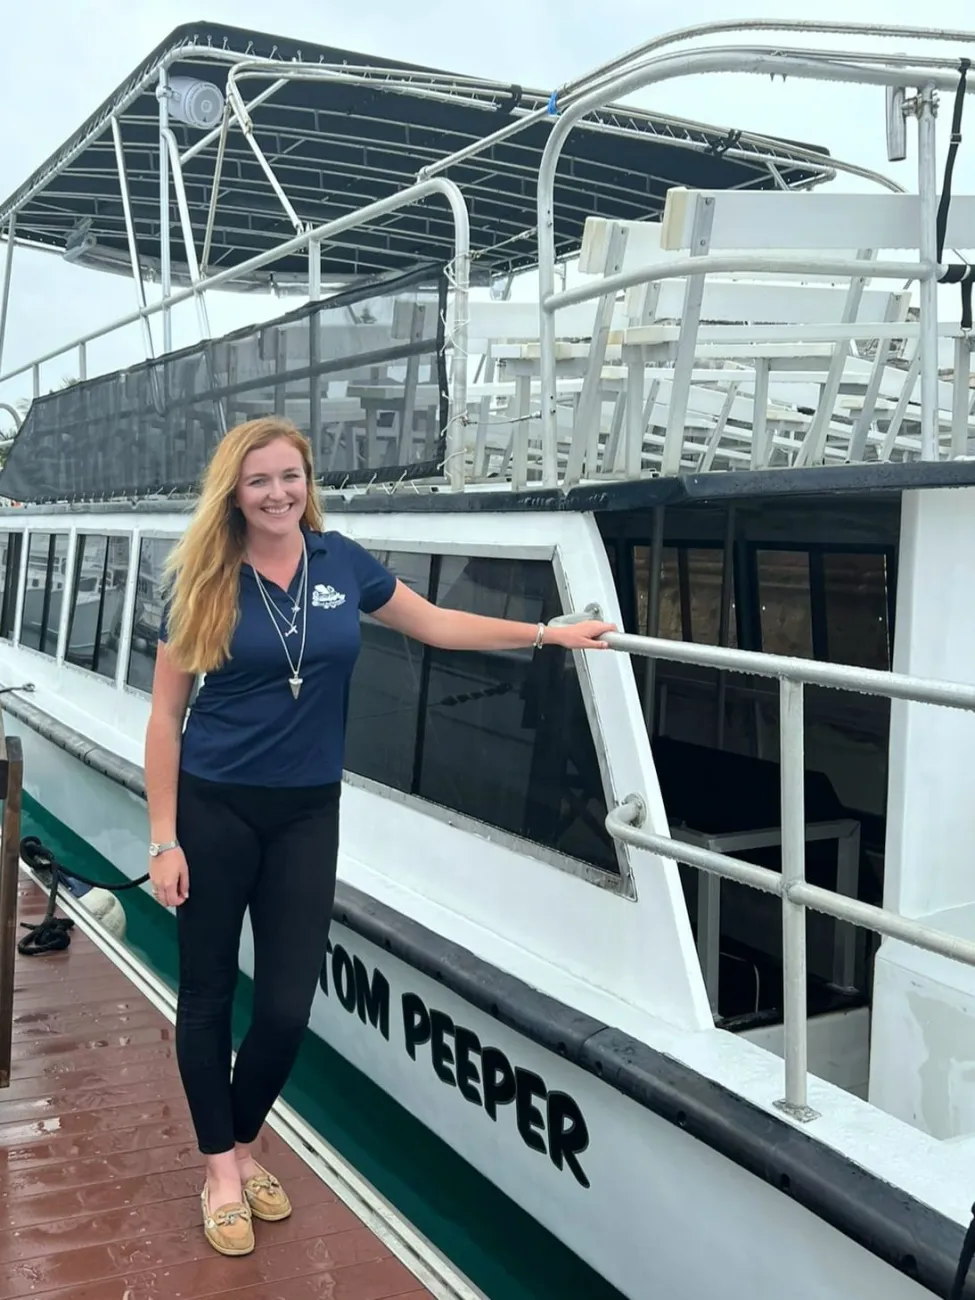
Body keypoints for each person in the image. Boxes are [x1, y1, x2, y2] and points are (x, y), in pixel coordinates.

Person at [144, 415, 616, 1258]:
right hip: (213, 809)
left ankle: (242, 1137)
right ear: (234, 492)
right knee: (209, 993)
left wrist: (545, 634)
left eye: (290, 476)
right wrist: (163, 838)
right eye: (259, 481)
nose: (278, 493)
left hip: (305, 814)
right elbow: (164, 718)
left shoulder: (340, 562)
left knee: (287, 1008)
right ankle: (221, 1166)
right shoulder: (204, 579)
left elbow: (434, 623)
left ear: (307, 483)